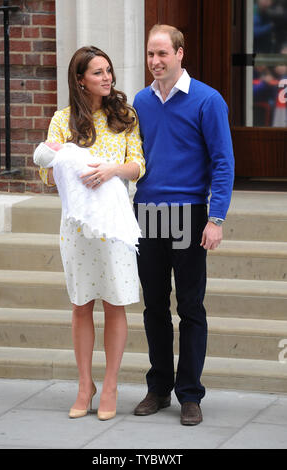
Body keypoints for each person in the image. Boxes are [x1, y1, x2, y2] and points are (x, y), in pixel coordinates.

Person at [133, 24, 235, 426]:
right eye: (150, 55)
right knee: (154, 306)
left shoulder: (207, 101)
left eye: (162, 54)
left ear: (179, 54)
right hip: (147, 213)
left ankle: (189, 394)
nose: (155, 62)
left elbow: (223, 162)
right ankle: (158, 388)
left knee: (190, 307)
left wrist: (216, 218)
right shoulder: (140, 101)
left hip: (190, 213)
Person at [37, 46, 145, 421]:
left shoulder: (125, 116)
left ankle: (111, 384)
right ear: (80, 79)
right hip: (78, 227)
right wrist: (52, 159)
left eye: (109, 71)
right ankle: (85, 385)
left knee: (115, 303)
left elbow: (138, 166)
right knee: (81, 305)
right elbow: (45, 173)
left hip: (114, 226)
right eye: (98, 72)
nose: (107, 78)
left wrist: (111, 170)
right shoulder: (62, 120)